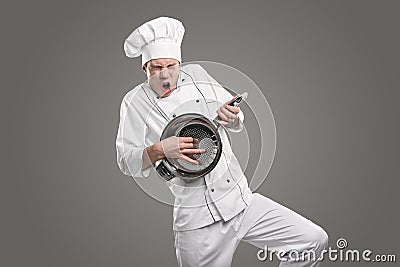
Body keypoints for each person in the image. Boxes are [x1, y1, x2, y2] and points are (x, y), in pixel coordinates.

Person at [116, 16, 328, 267]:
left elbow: (235, 117)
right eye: (156, 68)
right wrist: (160, 149)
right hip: (198, 220)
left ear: (180, 63)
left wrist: (233, 117)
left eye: (171, 66)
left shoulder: (197, 74)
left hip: (241, 201)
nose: (165, 77)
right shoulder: (134, 102)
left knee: (312, 240)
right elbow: (125, 160)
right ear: (145, 69)